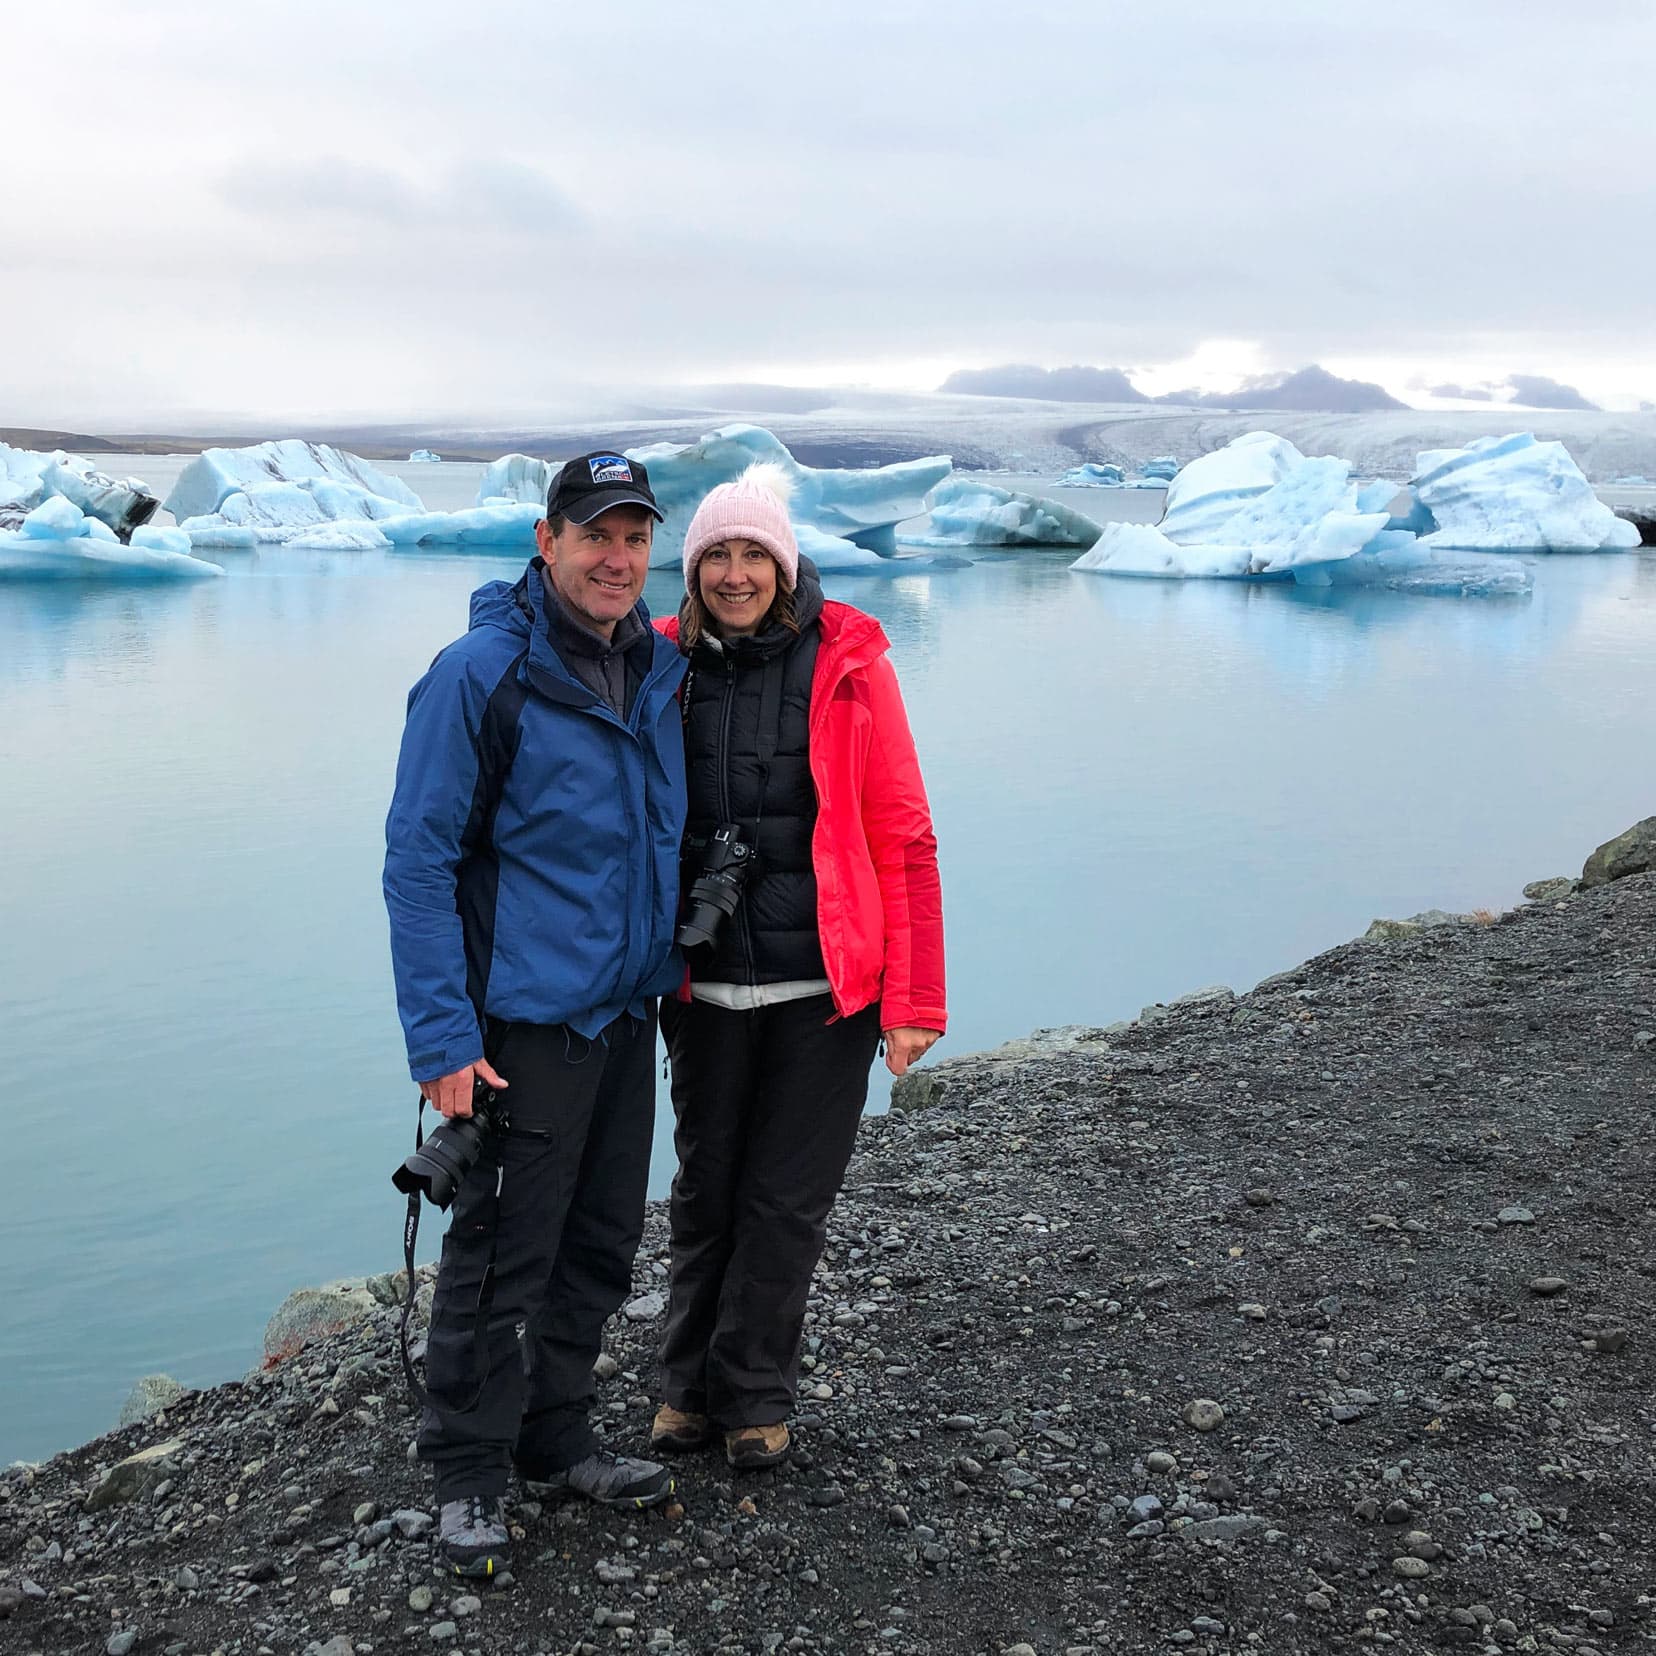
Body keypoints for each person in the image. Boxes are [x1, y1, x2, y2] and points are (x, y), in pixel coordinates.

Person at [383, 451, 688, 1579]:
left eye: (635, 536)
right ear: (546, 540)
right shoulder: (480, 675)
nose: (618, 558)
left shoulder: (654, 669)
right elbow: (417, 863)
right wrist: (442, 1039)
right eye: (595, 534)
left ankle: (556, 1437)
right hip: (521, 1028)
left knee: (601, 1243)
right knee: (500, 1255)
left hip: (622, 1015)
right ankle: (468, 1473)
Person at [649, 462, 947, 1470]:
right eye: (716, 556)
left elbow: (903, 835)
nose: (735, 574)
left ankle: (754, 1398)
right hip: (702, 987)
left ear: (785, 563)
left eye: (753, 555)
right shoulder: (657, 667)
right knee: (705, 1191)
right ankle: (684, 1385)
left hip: (827, 989)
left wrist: (914, 1001)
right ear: (691, 572)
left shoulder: (850, 664)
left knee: (785, 1200)